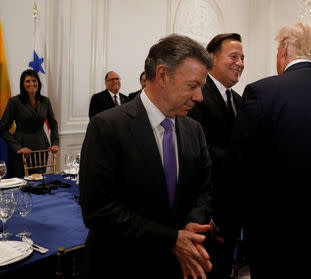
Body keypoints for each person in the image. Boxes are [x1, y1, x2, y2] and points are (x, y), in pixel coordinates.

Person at [220, 22, 311, 278]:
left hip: (275, 231)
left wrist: (227, 219)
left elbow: (238, 163)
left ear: (283, 51)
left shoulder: (262, 92)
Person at [79, 34, 215, 279]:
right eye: (192, 86)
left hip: (177, 267)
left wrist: (191, 226)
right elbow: (99, 211)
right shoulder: (108, 126)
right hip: (121, 266)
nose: (199, 97)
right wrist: (172, 239)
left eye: (201, 87)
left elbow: (204, 189)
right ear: (163, 75)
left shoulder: (194, 130)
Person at [188, 33, 244, 279]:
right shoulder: (198, 96)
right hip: (206, 213)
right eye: (233, 56)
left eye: (243, 58)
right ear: (211, 59)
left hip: (231, 211)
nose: (240, 63)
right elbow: (200, 151)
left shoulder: (239, 100)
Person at [0, 69, 59, 177]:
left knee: (39, 183)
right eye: (27, 81)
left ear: (38, 83)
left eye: (34, 80)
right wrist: (17, 147)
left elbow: (53, 124)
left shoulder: (45, 101)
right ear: (22, 84)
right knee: (22, 184)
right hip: (21, 149)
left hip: (41, 148)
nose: (32, 84)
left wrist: (55, 143)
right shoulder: (14, 102)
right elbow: (2, 128)